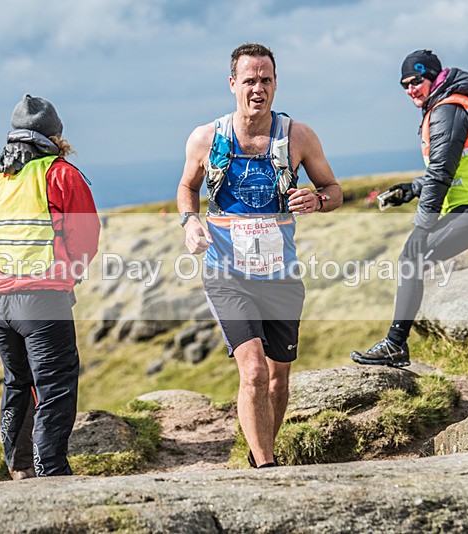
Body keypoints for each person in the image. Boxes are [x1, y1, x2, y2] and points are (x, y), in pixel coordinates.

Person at [176, 43, 342, 468]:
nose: (258, 88)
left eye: (265, 80)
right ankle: (267, 468)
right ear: (233, 84)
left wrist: (317, 201)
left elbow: (334, 190)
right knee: (253, 371)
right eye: (249, 80)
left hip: (281, 275)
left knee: (278, 378)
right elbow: (187, 189)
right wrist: (190, 222)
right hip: (226, 272)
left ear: (275, 84)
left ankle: (256, 454)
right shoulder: (207, 138)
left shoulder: (298, 137)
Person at [350, 49, 468, 368]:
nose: (410, 89)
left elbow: (442, 172)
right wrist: (409, 190)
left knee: (409, 258)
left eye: (416, 80)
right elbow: (451, 167)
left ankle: (394, 344)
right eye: (404, 84)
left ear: (433, 77)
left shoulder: (447, 108)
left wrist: (422, 226)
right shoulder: (452, 104)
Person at [0, 94, 100, 477]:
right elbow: (86, 236)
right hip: (42, 300)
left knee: (17, 382)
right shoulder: (61, 173)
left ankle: (19, 467)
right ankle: (50, 468)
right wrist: (71, 274)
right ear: (55, 136)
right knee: (55, 385)